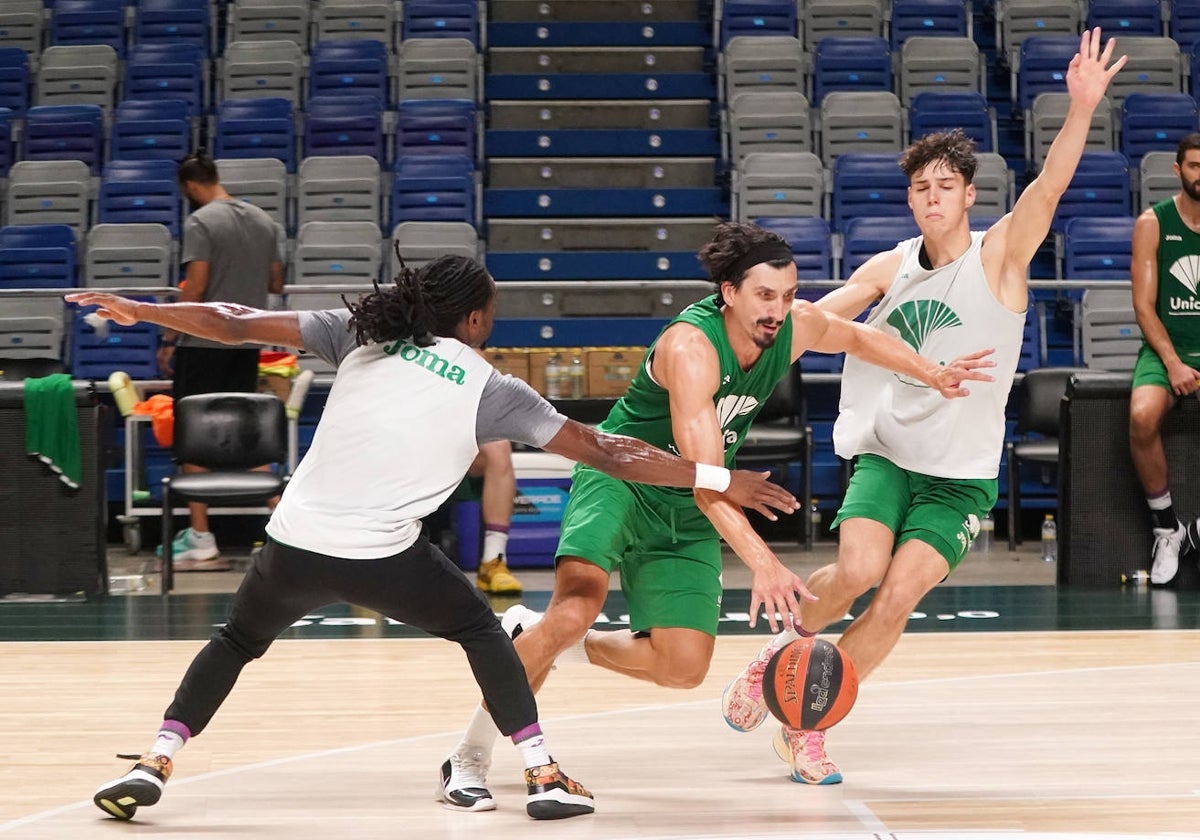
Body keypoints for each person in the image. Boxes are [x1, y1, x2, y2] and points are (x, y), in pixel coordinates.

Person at [66, 255, 799, 822]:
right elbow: (610, 450)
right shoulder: (492, 386)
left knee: (234, 641)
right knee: (483, 630)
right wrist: (717, 476)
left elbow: (232, 319)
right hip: (382, 557)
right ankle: (541, 771)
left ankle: (155, 760)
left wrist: (142, 309)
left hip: (290, 544)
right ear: (476, 320)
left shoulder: (358, 330)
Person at [439, 221, 997, 810]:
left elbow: (856, 338)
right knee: (575, 608)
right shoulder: (692, 348)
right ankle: (469, 755)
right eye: (764, 296)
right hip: (625, 479)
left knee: (681, 668)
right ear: (729, 292)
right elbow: (708, 478)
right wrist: (763, 561)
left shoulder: (792, 325)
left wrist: (930, 373)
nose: (779, 310)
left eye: (786, 296)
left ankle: (546, 640)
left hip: (690, 499)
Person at [721, 27, 1126, 785]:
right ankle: (774, 665)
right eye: (919, 187)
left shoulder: (1000, 257)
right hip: (889, 453)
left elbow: (1050, 189)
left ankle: (807, 722)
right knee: (856, 569)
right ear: (909, 199)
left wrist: (1079, 111)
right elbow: (817, 323)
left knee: (900, 593)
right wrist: (741, 339)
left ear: (970, 195)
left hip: (960, 476)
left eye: (945, 185)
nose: (931, 197)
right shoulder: (889, 264)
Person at [159, 151, 285, 571]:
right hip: (246, 342)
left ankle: (201, 538)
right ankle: (287, 526)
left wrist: (169, 336)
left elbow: (194, 289)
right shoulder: (265, 221)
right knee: (249, 434)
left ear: (191, 186)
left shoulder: (201, 221)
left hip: (202, 345)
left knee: (195, 435)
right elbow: (276, 283)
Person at [1129, 132, 1200, 585]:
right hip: (1166, 348)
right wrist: (1173, 361)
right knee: (1142, 416)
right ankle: (1167, 528)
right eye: (1195, 166)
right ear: (1179, 170)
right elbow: (1143, 305)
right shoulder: (1153, 223)